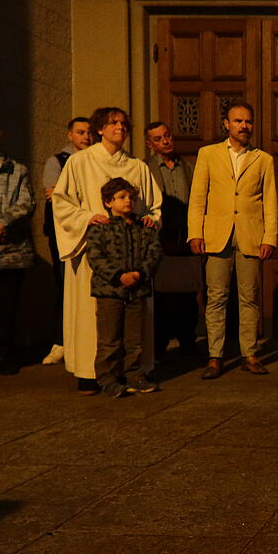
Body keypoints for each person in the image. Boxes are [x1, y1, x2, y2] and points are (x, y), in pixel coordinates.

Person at [52, 107, 162, 395]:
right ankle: (91, 373)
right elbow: (62, 202)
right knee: (95, 319)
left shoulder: (137, 167)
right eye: (113, 124)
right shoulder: (80, 162)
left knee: (134, 321)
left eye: (124, 124)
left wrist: (152, 219)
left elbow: (153, 206)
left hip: (132, 253)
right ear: (100, 129)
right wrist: (87, 218)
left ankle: (132, 371)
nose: (120, 128)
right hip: (96, 252)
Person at [188, 102, 278, 379]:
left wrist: (270, 237)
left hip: (250, 234)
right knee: (216, 297)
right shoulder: (208, 154)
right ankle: (215, 356)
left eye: (248, 121)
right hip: (217, 234)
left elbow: (270, 202)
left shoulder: (263, 159)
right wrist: (196, 232)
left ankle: (249, 354)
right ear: (226, 123)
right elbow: (198, 197)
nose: (244, 126)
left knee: (249, 297)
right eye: (238, 121)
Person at [87, 178, 163, 397]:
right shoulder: (101, 228)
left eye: (131, 197)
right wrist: (119, 276)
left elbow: (154, 253)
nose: (128, 201)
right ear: (108, 202)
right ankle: (107, 378)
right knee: (109, 340)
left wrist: (139, 273)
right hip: (109, 292)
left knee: (134, 340)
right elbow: (96, 257)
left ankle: (134, 374)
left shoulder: (144, 227)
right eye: (121, 197)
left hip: (137, 290)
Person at [146, 121, 201, 358]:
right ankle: (159, 347)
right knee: (161, 296)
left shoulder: (187, 167)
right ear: (150, 144)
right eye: (158, 139)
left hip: (185, 239)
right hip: (159, 239)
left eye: (167, 136)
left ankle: (187, 343)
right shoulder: (145, 168)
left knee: (187, 295)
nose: (165, 141)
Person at [41, 116, 91, 365]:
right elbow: (53, 194)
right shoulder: (57, 161)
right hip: (63, 233)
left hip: (90, 231)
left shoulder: (94, 160)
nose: (86, 137)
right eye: (80, 132)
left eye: (89, 132)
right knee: (64, 286)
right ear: (70, 135)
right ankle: (61, 341)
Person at [0, 128, 36, 375]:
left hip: (11, 252)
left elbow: (27, 202)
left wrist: (2, 222)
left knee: (6, 309)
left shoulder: (17, 170)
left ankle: (4, 355)